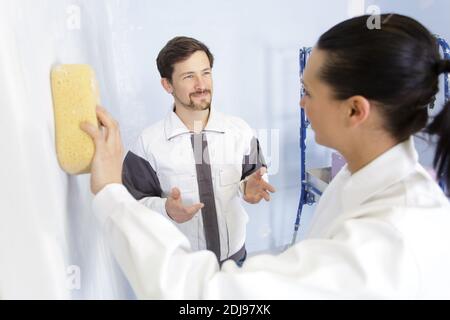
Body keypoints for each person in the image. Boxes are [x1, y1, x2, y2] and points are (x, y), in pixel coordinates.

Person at [81, 14, 450, 299]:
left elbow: (205, 296)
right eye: (189, 76)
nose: (300, 102)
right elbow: (143, 199)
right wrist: (161, 208)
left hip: (230, 258)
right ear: (168, 84)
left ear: (355, 111)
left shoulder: (387, 242)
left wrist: (109, 194)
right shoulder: (354, 180)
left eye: (307, 90)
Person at [120, 36, 275, 266]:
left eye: (206, 73)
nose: (201, 85)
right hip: (181, 269)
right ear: (167, 84)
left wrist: (248, 187)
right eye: (189, 76)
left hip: (235, 261)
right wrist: (167, 209)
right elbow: (131, 205)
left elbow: (254, 178)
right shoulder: (147, 145)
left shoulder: (240, 131)